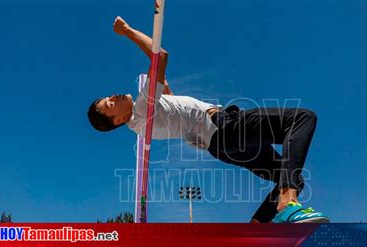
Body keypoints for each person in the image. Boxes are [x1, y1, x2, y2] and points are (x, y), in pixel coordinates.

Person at [87, 16, 329, 223]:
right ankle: (287, 204)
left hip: (223, 147)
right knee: (301, 118)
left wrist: (165, 90)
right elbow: (160, 57)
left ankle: (257, 227)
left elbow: (169, 101)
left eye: (108, 97)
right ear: (117, 120)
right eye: (109, 104)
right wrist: (127, 31)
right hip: (224, 128)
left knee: (290, 175)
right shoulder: (141, 109)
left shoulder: (142, 120)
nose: (113, 96)